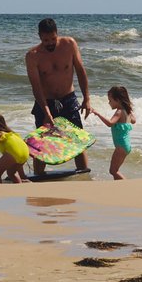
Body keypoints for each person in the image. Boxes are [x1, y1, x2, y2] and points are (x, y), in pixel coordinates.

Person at [25, 17, 92, 176]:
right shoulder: (32, 56)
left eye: (53, 38)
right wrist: (47, 113)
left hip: (68, 99)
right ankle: (39, 177)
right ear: (39, 36)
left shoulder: (69, 44)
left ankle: (83, 173)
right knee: (41, 143)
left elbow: (81, 71)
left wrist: (87, 98)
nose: (50, 43)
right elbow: (36, 87)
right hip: (45, 102)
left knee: (76, 139)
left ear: (57, 33)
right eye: (46, 39)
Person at [90, 85, 136, 180]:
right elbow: (134, 121)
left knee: (113, 171)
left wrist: (98, 114)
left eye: (110, 100)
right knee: (115, 170)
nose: (109, 103)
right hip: (125, 145)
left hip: (121, 146)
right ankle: (118, 188)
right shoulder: (127, 111)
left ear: (118, 100)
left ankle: (128, 186)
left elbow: (110, 123)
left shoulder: (119, 112)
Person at [0, 111, 30, 184]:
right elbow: (20, 148)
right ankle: (19, 188)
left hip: (14, 153)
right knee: (11, 173)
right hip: (25, 153)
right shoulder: (12, 133)